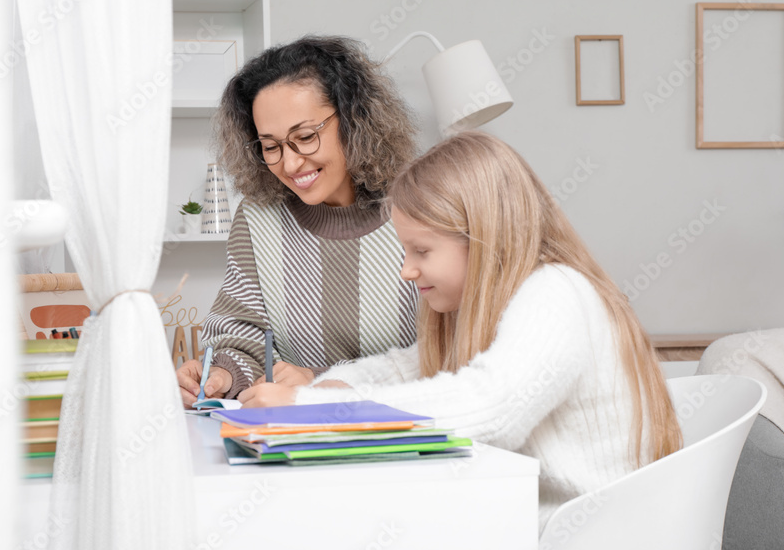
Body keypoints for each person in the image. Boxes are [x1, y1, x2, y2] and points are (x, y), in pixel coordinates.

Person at [238, 130, 683, 528]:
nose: (407, 270)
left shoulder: (556, 293)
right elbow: (404, 367)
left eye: (421, 250)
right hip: (530, 532)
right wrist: (329, 386)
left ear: (484, 237)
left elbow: (489, 405)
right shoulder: (494, 305)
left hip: (582, 544)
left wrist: (311, 410)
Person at [176, 35, 420, 408]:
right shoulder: (258, 220)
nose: (290, 164)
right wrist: (222, 376)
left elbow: (450, 352)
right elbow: (243, 335)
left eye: (305, 137)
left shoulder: (422, 207)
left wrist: (321, 381)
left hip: (406, 429)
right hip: (296, 436)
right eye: (270, 146)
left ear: (353, 119)